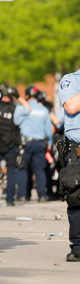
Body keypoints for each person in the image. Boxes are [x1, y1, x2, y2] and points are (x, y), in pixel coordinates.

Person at [14, 85, 53, 202]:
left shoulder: (24, 108)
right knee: (39, 170)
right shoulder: (44, 110)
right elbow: (48, 130)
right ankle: (42, 195)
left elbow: (16, 122)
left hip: (26, 142)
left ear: (26, 96)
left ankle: (23, 194)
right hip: (40, 143)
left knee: (23, 168)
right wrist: (49, 144)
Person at [56, 70, 80, 262]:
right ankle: (78, 246)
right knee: (76, 198)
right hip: (77, 151)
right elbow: (71, 106)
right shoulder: (71, 80)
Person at [0, 85, 21, 204]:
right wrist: (19, 97)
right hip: (11, 144)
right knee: (11, 172)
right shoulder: (16, 109)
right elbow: (28, 111)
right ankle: (10, 199)